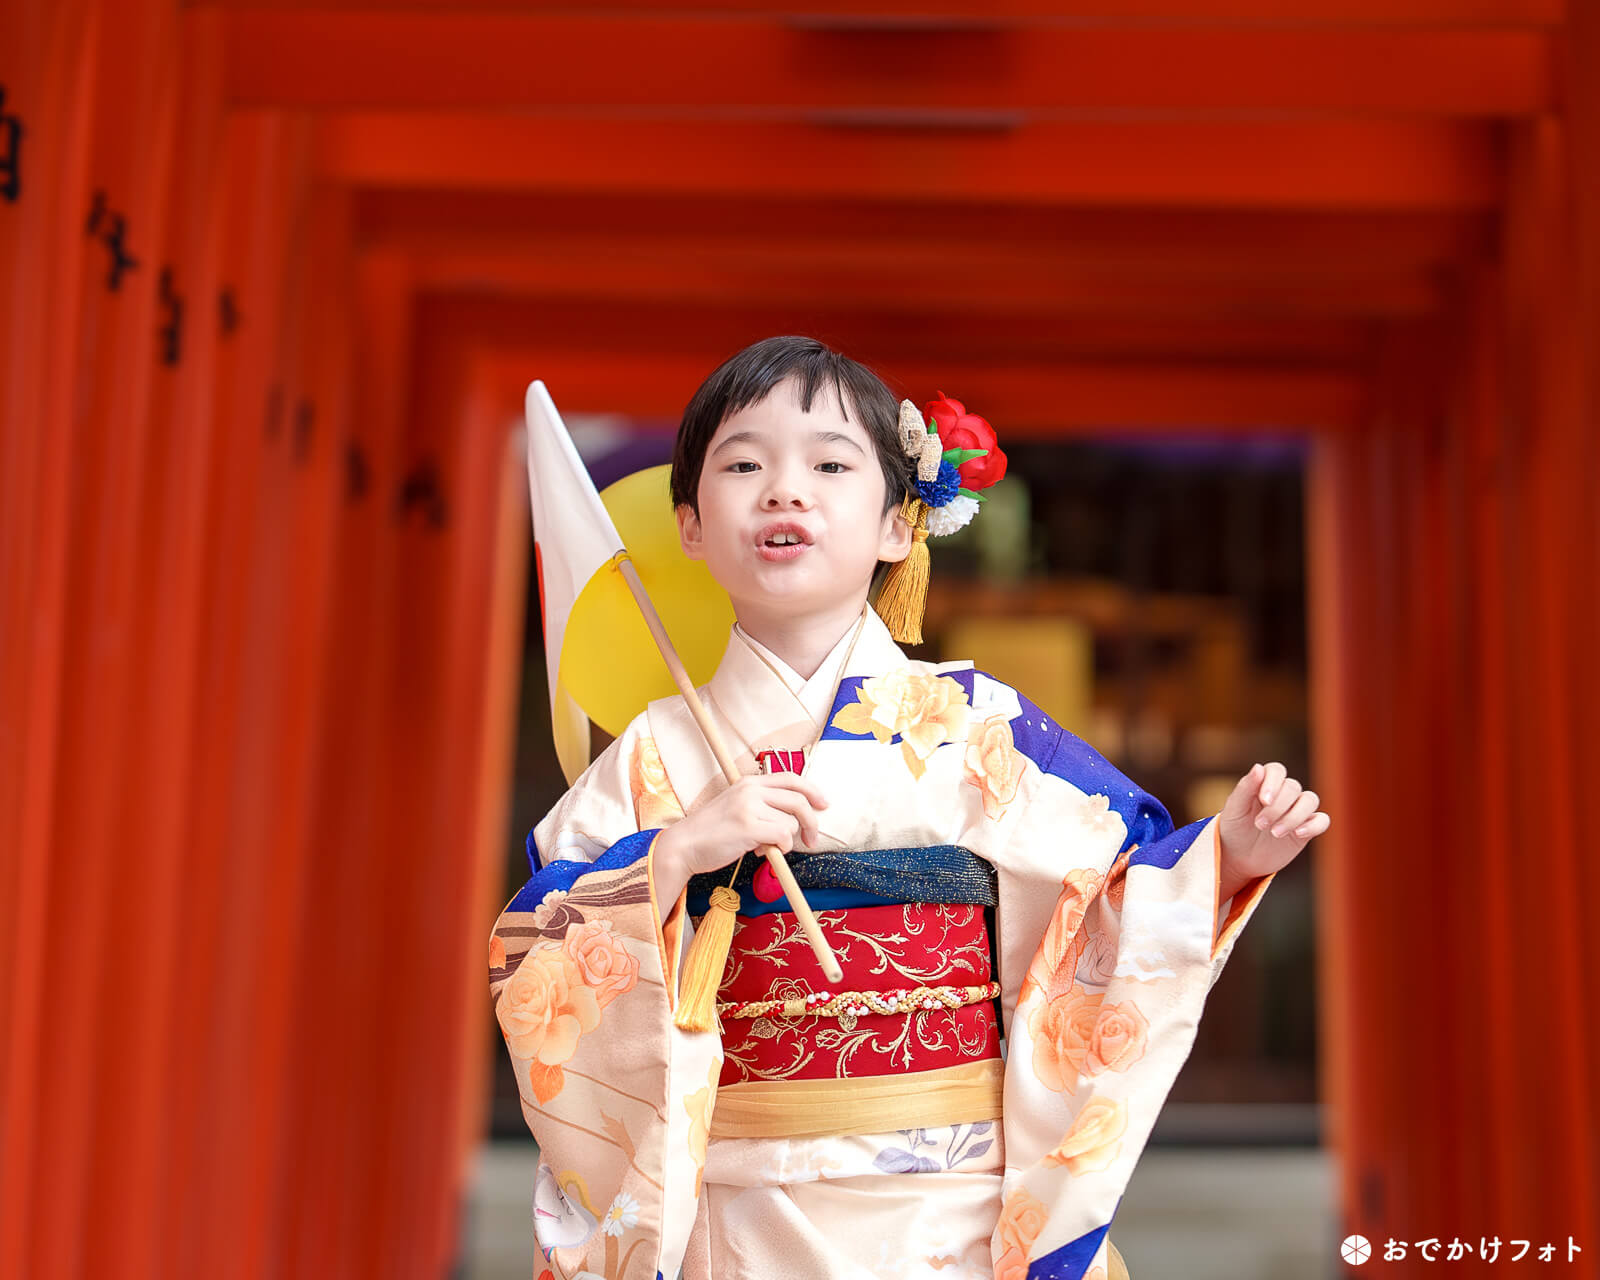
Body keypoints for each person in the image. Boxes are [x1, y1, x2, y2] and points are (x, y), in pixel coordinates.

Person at [487, 335, 1328, 1280]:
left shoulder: (975, 729)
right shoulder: (650, 757)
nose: (784, 489)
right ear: (689, 524)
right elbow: (538, 957)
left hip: (948, 1215)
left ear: (899, 526)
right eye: (744, 463)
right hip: (729, 1214)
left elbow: (1112, 897)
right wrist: (674, 856)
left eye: (831, 464)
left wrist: (1229, 859)